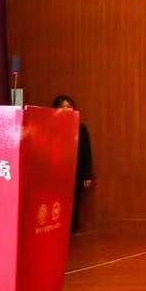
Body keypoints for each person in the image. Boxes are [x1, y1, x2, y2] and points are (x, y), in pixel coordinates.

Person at [52, 95, 93, 235]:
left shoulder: (81, 128)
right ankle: (56, 227)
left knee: (73, 201)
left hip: (76, 171)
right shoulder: (50, 126)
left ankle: (71, 229)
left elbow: (86, 152)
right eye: (62, 106)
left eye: (69, 106)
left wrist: (87, 175)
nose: (66, 109)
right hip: (56, 171)